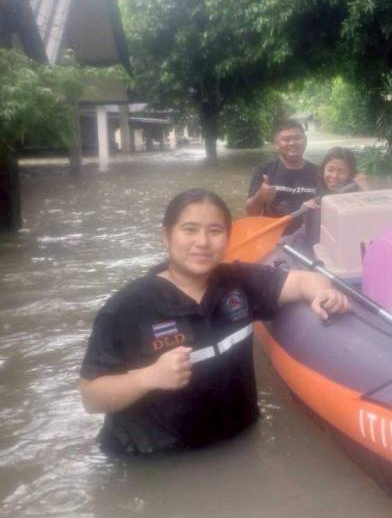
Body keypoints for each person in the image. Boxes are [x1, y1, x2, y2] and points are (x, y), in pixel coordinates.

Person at [79, 189, 350, 455]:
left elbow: (304, 280)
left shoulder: (239, 282)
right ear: (165, 236)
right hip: (154, 460)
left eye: (215, 231)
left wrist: (322, 294)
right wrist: (147, 377)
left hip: (239, 445)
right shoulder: (126, 308)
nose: (203, 242)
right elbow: (91, 397)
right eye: (189, 229)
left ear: (228, 238)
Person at [245, 120, 319, 232]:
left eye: (297, 138)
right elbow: (251, 214)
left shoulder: (319, 172)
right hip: (273, 235)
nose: (292, 143)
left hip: (307, 234)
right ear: (276, 144)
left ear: (305, 140)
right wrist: (260, 197)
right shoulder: (264, 171)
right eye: (286, 139)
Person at [302, 147, 369, 244]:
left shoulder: (358, 194)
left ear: (350, 174)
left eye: (341, 171)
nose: (334, 176)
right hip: (317, 246)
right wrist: (305, 213)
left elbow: (369, 225)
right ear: (323, 169)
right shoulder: (313, 189)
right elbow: (307, 232)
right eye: (330, 170)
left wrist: (366, 192)